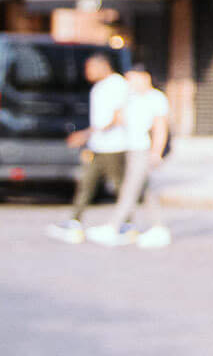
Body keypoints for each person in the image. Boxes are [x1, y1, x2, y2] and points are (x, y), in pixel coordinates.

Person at [48, 50, 128, 243]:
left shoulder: (117, 84)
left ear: (103, 66)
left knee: (119, 186)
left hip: (114, 146)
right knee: (86, 183)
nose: (87, 72)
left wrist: (85, 135)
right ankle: (74, 221)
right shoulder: (98, 87)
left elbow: (118, 117)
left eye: (90, 67)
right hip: (98, 146)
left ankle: (127, 223)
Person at [90, 65, 171, 247]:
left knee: (130, 189)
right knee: (147, 190)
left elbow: (160, 128)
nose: (130, 83)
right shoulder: (132, 98)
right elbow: (119, 118)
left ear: (145, 77)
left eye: (132, 78)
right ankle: (159, 228)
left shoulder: (156, 98)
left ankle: (114, 226)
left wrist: (156, 153)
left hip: (144, 149)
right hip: (131, 148)